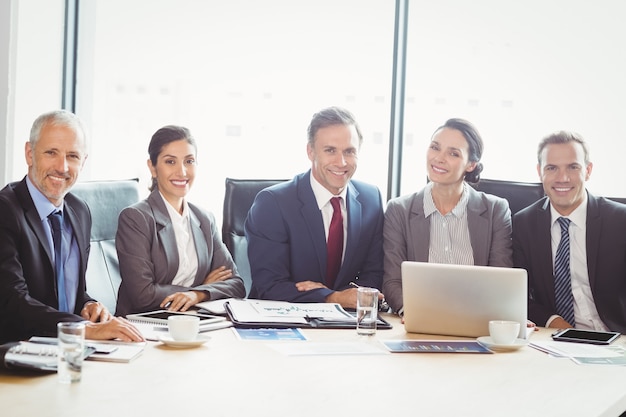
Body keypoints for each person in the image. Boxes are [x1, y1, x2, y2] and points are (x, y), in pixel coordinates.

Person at [0, 110, 144, 344]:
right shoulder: (5, 210)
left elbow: (69, 295)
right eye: (51, 152)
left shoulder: (79, 211)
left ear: (83, 161)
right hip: (19, 353)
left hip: (71, 350)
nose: (62, 167)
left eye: (73, 156)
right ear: (29, 153)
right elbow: (11, 301)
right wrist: (83, 328)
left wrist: (88, 306)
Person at [244, 106, 384, 309]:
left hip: (346, 323)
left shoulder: (371, 199)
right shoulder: (273, 203)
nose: (341, 162)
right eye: (330, 151)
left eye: (349, 151)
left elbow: (374, 276)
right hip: (281, 321)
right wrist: (332, 298)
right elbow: (269, 286)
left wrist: (340, 296)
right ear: (310, 151)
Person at [383, 118, 513, 314]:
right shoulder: (399, 210)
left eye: (453, 153)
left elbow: (500, 282)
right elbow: (392, 281)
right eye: (435, 147)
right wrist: (412, 312)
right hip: (417, 322)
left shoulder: (496, 210)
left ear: (471, 164)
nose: (439, 158)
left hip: (475, 322)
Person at [115, 125, 245, 316]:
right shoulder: (136, 218)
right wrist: (200, 289)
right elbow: (142, 295)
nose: (182, 172)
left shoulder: (204, 219)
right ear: (152, 167)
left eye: (189, 161)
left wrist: (198, 295)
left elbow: (236, 285)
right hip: (146, 324)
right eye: (170, 162)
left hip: (195, 320)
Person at [512, 130, 626, 332]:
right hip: (557, 339)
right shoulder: (523, 224)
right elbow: (516, 294)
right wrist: (558, 325)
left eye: (573, 167)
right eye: (552, 168)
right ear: (540, 172)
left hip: (617, 338)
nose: (562, 178)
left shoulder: (620, 221)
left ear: (588, 170)